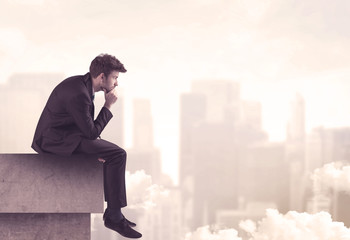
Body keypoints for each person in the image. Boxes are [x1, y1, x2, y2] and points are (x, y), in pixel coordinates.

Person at [32, 54, 142, 239]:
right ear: (101, 77)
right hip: (55, 141)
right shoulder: (80, 94)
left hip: (66, 134)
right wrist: (107, 106)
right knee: (118, 154)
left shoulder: (83, 85)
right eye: (114, 78)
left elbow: (85, 126)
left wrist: (94, 147)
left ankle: (115, 214)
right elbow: (90, 133)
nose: (116, 84)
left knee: (110, 154)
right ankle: (114, 217)